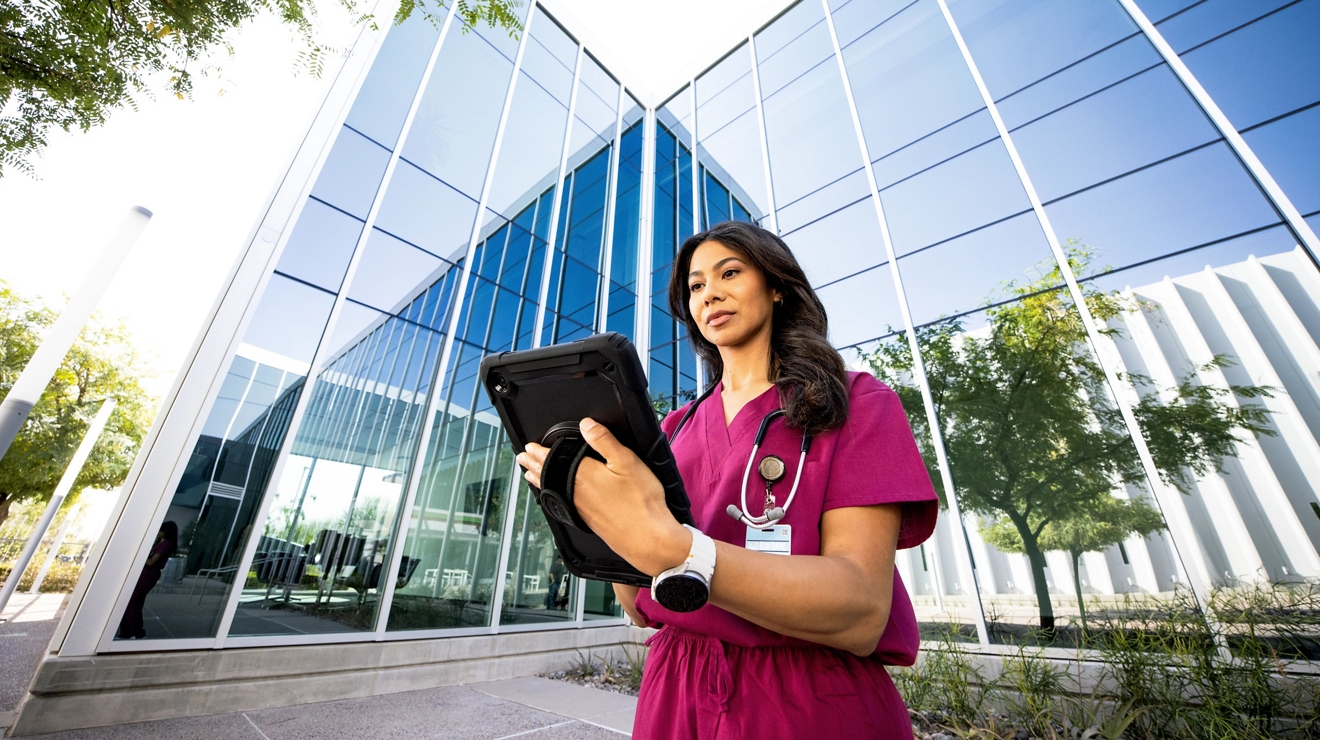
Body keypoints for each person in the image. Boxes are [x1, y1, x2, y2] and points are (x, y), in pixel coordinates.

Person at [517, 221, 938, 738]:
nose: (709, 292)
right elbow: (642, 607)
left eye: (730, 272)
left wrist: (675, 548)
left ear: (777, 286)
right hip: (675, 690)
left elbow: (860, 611)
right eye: (695, 286)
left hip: (810, 698)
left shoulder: (857, 403)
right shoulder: (671, 430)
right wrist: (595, 514)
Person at [117, 521, 178, 640]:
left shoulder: (166, 545)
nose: (157, 532)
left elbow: (151, 562)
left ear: (165, 532)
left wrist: (139, 556)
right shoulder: (158, 543)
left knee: (133, 601)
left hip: (149, 573)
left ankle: (137, 632)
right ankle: (126, 631)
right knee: (131, 601)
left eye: (160, 530)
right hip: (144, 572)